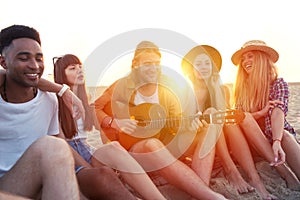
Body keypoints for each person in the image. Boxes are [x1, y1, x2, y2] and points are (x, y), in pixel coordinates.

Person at [95, 40, 227, 199]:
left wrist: (192, 124)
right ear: (135, 64)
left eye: (157, 63)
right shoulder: (121, 86)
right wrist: (113, 122)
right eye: (148, 63)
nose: (153, 68)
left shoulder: (168, 85)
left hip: (165, 145)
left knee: (208, 129)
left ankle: (200, 191)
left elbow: (175, 122)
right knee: (152, 144)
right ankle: (211, 196)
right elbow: (93, 108)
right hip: (135, 150)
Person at [53, 54, 166, 200]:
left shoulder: (84, 98)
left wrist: (120, 120)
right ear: (61, 74)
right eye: (73, 68)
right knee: (112, 158)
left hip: (87, 150)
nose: (79, 71)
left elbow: (101, 128)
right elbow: (62, 144)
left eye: (81, 67)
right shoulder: (54, 101)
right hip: (70, 156)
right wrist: (89, 168)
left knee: (115, 146)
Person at [181, 45, 280, 199]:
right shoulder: (184, 91)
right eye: (198, 64)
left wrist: (215, 89)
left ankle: (255, 179)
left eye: (207, 63)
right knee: (213, 114)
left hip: (217, 141)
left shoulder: (221, 90)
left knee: (227, 118)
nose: (203, 68)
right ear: (191, 68)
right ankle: (231, 170)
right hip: (192, 141)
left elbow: (226, 120)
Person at [0, 25, 80, 199]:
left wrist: (60, 91)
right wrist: (62, 89)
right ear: (3, 62)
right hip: (4, 186)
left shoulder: (49, 100)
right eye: (23, 58)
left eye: (39, 58)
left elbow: (59, 143)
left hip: (30, 181)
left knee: (54, 146)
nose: (34, 65)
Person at [230, 40, 300, 189]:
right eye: (243, 59)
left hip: (276, 136)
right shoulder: (242, 89)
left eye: (250, 56)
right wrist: (261, 113)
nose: (245, 62)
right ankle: (287, 174)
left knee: (286, 135)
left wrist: (276, 141)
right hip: (254, 143)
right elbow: (240, 120)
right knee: (246, 118)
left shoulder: (278, 84)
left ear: (262, 59)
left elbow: (278, 112)